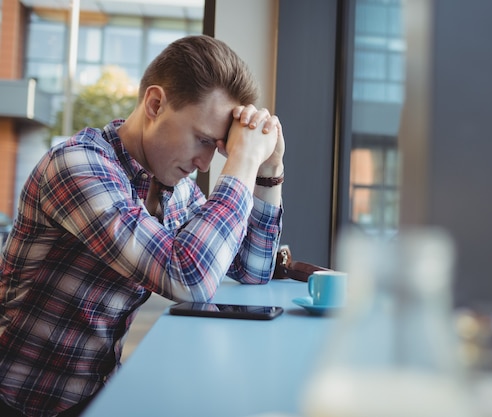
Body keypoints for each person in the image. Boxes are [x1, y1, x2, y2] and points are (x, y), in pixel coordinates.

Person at [0, 35, 284, 417]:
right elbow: (189, 278)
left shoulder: (175, 188)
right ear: (155, 104)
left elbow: (252, 270)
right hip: (18, 400)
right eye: (202, 139)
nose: (204, 163)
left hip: (93, 397)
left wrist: (268, 172)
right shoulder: (79, 166)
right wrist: (243, 163)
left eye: (217, 147)